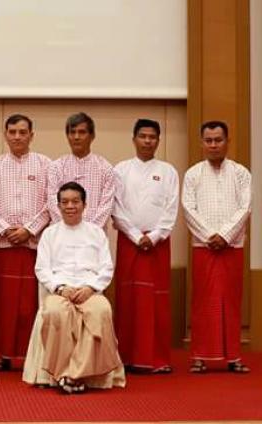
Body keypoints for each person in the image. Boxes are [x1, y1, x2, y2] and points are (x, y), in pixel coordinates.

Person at [35, 182, 121, 394]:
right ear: (58, 206)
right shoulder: (49, 234)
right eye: (64, 202)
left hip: (89, 290)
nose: (70, 206)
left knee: (101, 311)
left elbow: (106, 268)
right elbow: (42, 269)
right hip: (61, 290)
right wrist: (60, 288)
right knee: (55, 312)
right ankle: (64, 372)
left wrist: (91, 288)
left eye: (75, 201)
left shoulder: (96, 233)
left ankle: (74, 375)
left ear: (84, 204)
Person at [0, 114, 50, 370]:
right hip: (5, 245)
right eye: (12, 132)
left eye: (23, 132)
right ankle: (5, 354)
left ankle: (33, 354)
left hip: (36, 245)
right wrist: (7, 230)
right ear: (5, 134)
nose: (17, 137)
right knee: (7, 302)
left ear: (32, 135)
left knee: (31, 302)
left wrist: (29, 230)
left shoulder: (46, 165)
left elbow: (51, 203)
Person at [182, 120, 252, 374]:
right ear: (202, 143)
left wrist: (225, 235)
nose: (213, 145)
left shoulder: (241, 173)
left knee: (231, 301)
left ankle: (234, 357)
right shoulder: (193, 174)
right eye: (208, 140)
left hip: (232, 246)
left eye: (218, 140)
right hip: (204, 246)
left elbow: (245, 207)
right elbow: (188, 208)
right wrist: (210, 235)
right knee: (203, 301)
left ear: (227, 141)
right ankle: (199, 356)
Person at [112, 119, 179, 373]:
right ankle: (127, 358)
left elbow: (171, 208)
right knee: (128, 300)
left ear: (158, 141)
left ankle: (157, 359)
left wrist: (155, 235)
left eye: (152, 137)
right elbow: (116, 208)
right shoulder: (121, 170)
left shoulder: (168, 171)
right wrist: (134, 234)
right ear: (134, 139)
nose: (147, 141)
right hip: (129, 243)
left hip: (157, 245)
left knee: (156, 302)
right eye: (143, 136)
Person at [46, 112, 115, 228]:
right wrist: (68, 228)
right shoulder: (56, 167)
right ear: (67, 136)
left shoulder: (105, 168)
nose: (76, 137)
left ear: (92, 136)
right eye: (72, 132)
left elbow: (106, 206)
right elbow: (53, 202)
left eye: (82, 132)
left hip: (94, 235)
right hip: (62, 233)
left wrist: (87, 232)